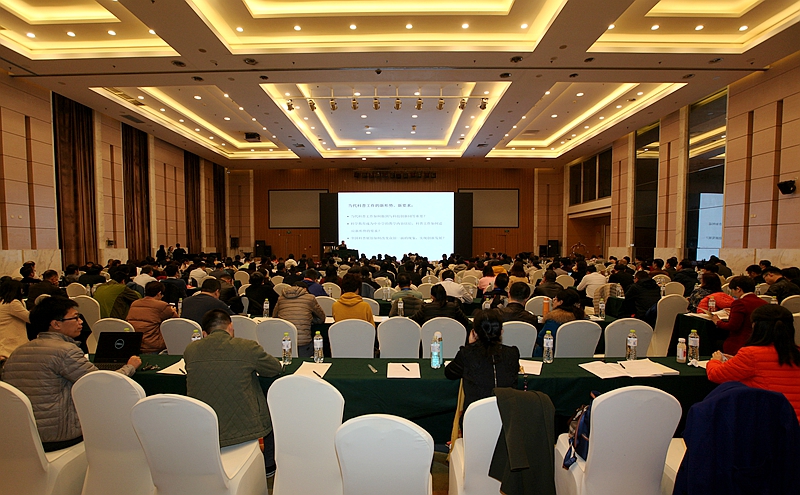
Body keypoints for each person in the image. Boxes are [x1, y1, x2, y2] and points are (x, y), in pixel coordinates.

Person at [1, 296, 141, 451]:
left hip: (22, 435)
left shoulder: (17, 352)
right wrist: (130, 367)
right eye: (75, 318)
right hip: (60, 435)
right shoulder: (65, 351)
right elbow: (103, 384)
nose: (81, 322)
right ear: (56, 324)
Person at [184, 310, 283, 476]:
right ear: (231, 327)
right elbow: (274, 368)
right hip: (245, 425)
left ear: (204, 333)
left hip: (203, 424)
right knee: (269, 412)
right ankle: (268, 466)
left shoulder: (191, 350)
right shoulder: (247, 347)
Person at [706, 304, 800, 422]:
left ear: (756, 327)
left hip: (770, 422)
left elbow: (716, 375)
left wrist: (715, 361)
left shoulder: (751, 354)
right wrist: (736, 360)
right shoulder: (796, 352)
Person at [444, 309, 520, 418]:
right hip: (508, 417)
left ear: (474, 333)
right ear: (501, 332)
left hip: (475, 417)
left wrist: (470, 346)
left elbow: (450, 373)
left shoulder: (467, 354)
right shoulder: (512, 353)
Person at [710, 276, 768, 355]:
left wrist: (717, 322)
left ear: (738, 289)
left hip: (740, 343)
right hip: (760, 342)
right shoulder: (764, 303)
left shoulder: (740, 303)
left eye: (733, 290)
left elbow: (733, 326)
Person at [272, 285, 326, 357]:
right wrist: (310, 320)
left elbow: (274, 318)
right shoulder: (310, 298)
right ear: (305, 289)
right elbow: (321, 318)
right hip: (303, 342)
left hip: (284, 340)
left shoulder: (281, 299)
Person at [126, 281, 178, 354]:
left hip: (135, 344)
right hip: (153, 345)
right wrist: (173, 311)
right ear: (159, 293)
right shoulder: (162, 305)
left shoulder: (135, 303)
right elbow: (176, 321)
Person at [535, 288, 584, 356]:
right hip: (578, 354)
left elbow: (541, 339)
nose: (553, 301)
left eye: (555, 299)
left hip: (551, 355)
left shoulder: (553, 319)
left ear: (560, 302)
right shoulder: (582, 319)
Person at [0, 279, 30, 359]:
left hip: (5, 341)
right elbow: (29, 318)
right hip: (12, 344)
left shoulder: (3, 302)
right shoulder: (13, 303)